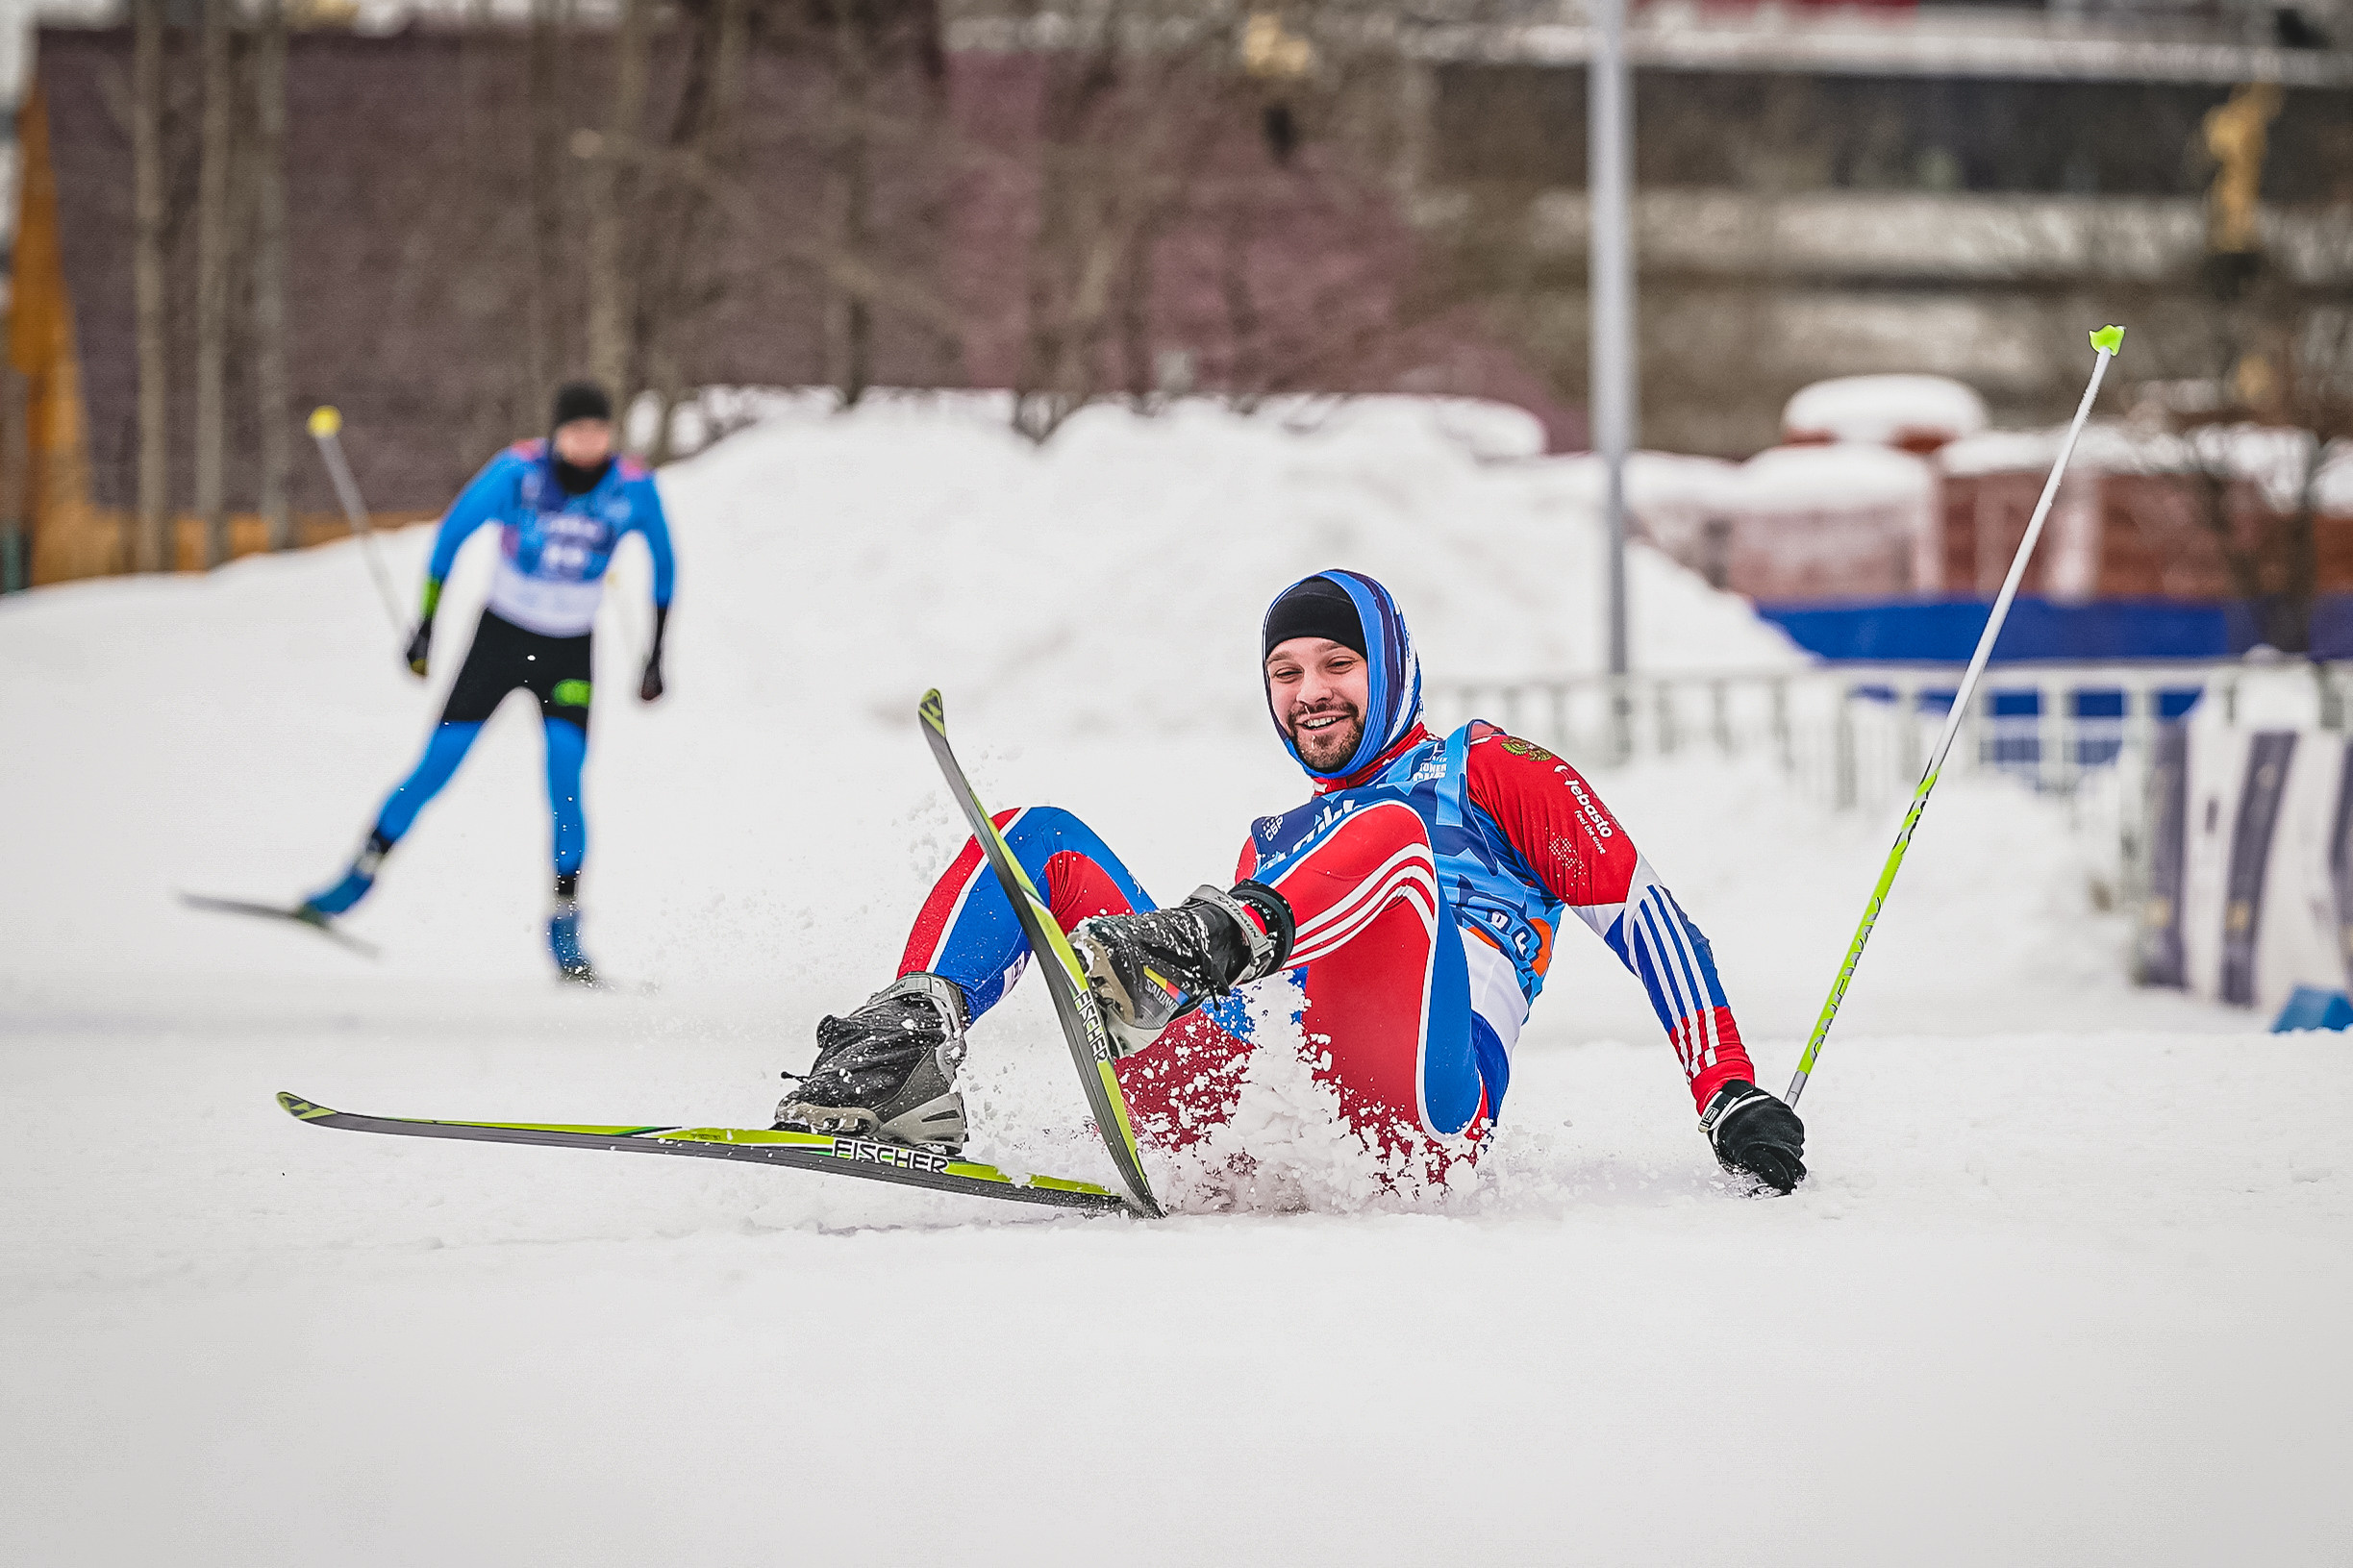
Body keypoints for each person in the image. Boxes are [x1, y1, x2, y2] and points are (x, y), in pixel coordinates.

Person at [775, 569, 1807, 1194]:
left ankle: (1184, 955)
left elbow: (1650, 923)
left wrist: (1727, 1091)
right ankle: (895, 1059)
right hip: (1262, 1115)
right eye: (1286, 672)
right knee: (1033, 836)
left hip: (1415, 1118)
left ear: (1388, 664)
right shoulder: (1276, 842)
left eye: (1335, 664)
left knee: (1388, 831)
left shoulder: (1484, 768)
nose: (1310, 691)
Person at [300, 382, 677, 984]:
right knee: (437, 765)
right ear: (557, 433)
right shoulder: (518, 473)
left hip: (569, 652)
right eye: (576, 430)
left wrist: (654, 654)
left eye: (598, 431)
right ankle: (356, 878)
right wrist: (426, 626)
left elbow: (664, 566)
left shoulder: (632, 487)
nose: (588, 442)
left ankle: (565, 927)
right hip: (499, 643)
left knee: (566, 780)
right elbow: (452, 535)